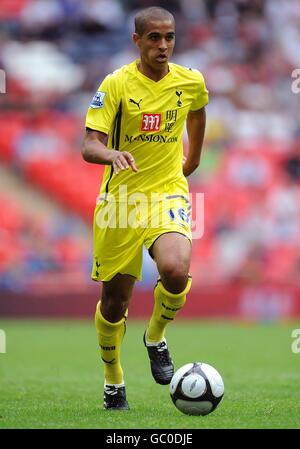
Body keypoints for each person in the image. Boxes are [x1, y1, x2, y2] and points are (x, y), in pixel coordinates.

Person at [82, 6, 208, 410]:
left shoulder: (190, 81)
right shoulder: (116, 84)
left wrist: (194, 157)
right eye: (154, 37)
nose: (163, 45)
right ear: (137, 40)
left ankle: (155, 336)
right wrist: (111, 154)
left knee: (175, 269)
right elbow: (89, 145)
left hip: (166, 192)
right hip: (120, 202)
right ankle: (113, 379)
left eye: (169, 37)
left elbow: (199, 110)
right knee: (115, 302)